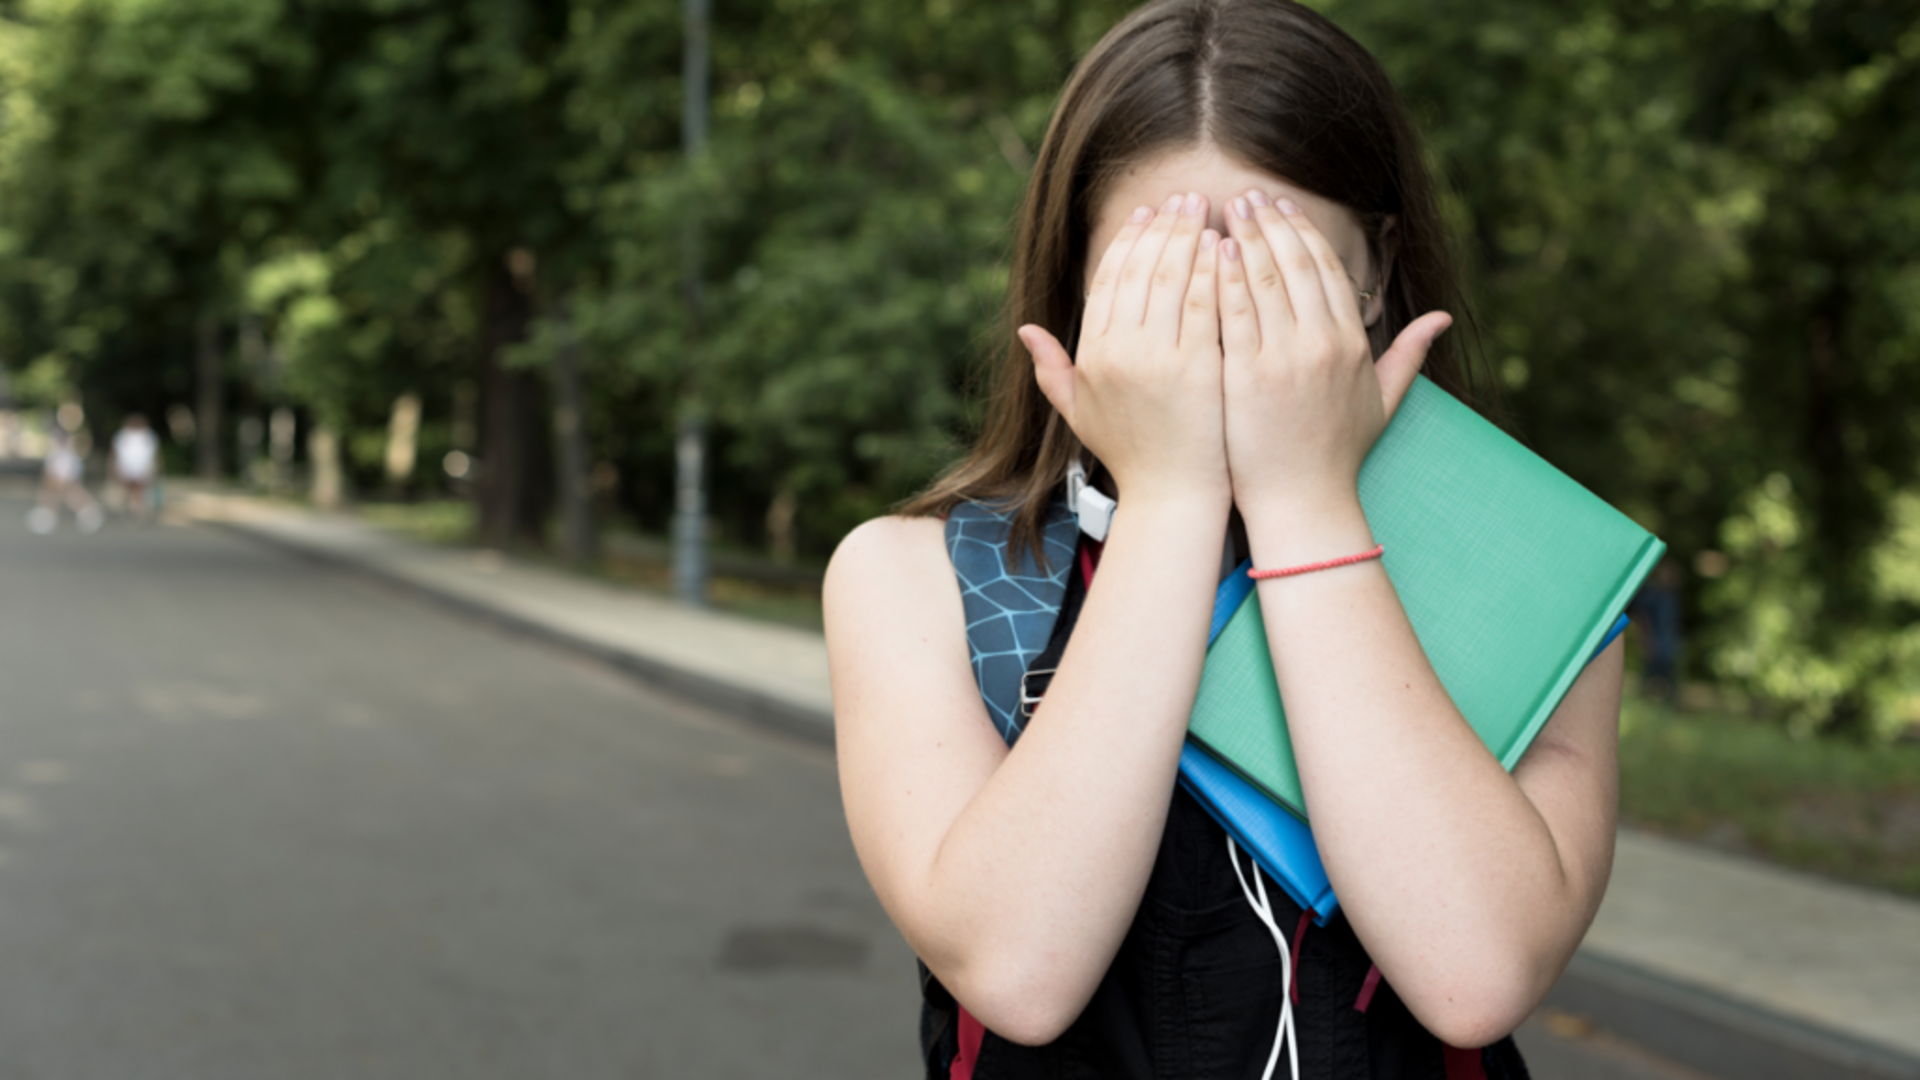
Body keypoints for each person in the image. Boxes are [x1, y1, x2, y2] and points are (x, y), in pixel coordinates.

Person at [824, 2, 1625, 1078]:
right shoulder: (915, 577)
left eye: (1280, 278)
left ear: (1377, 274)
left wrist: (1304, 504)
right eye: (1165, 283)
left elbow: (1473, 973)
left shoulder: (1533, 576)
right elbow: (1019, 968)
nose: (1227, 326)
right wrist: (1169, 501)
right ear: (1074, 285)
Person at [29, 423, 103, 535]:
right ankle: (46, 516)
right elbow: (50, 468)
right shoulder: (56, 451)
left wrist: (65, 480)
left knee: (75, 497)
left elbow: (72, 468)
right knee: (50, 496)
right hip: (58, 479)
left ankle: (90, 514)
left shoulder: (69, 452)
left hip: (67, 479)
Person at [111, 412, 160, 523]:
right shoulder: (124, 435)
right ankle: (135, 509)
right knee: (133, 489)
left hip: (137, 467)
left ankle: (135, 510)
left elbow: (151, 454)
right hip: (131, 467)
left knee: (137, 489)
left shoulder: (147, 435)